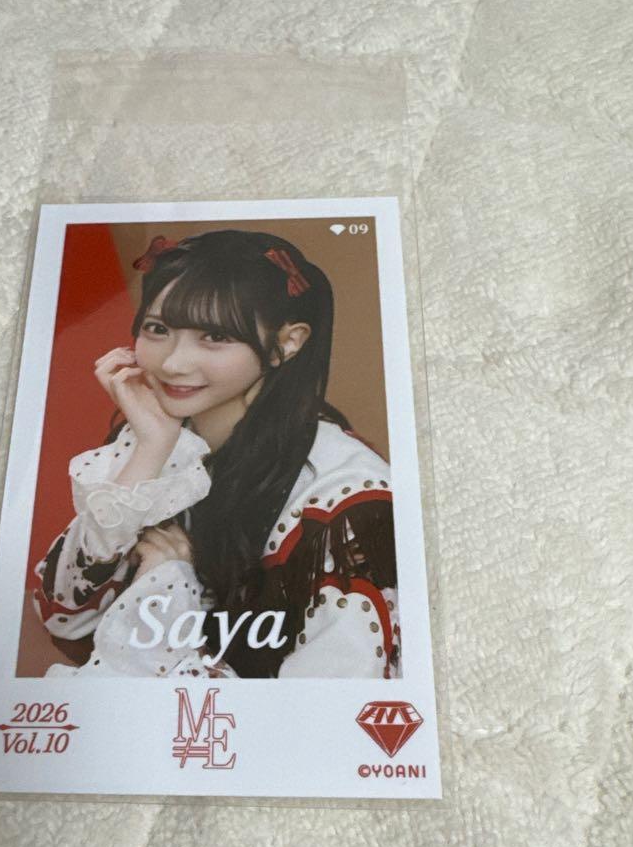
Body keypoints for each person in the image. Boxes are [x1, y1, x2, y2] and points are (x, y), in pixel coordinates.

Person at [29, 229, 400, 679]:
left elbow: (322, 709)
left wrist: (167, 585)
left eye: (215, 336)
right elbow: (66, 619)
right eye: (158, 329)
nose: (173, 363)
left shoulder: (345, 500)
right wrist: (150, 449)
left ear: (287, 343)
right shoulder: (162, 437)